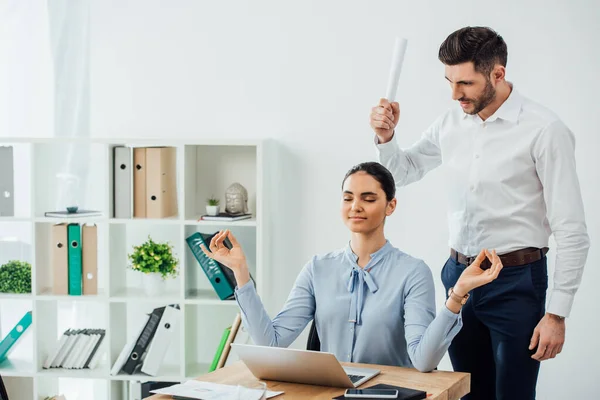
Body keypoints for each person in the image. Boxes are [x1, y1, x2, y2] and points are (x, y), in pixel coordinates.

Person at [370, 26, 590, 399]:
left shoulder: (545, 130)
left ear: (498, 74)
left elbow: (571, 230)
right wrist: (388, 137)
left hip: (517, 281)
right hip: (459, 278)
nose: (455, 94)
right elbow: (402, 172)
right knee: (467, 391)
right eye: (449, 82)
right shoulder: (450, 122)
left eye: (466, 83)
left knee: (512, 395)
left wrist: (556, 314)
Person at [200, 161, 503, 373]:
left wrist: (458, 294)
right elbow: (271, 342)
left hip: (389, 395)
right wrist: (241, 272)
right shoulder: (317, 268)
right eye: (348, 198)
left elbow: (423, 360)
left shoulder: (412, 272)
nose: (355, 206)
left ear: (390, 206)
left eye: (368, 199)